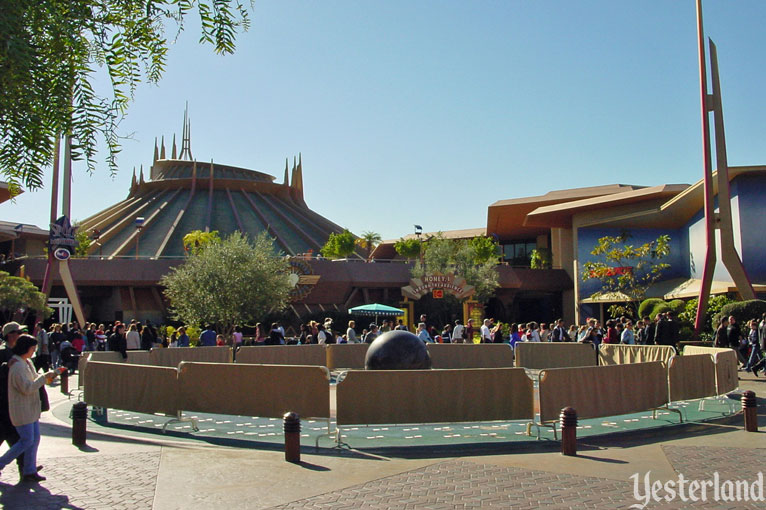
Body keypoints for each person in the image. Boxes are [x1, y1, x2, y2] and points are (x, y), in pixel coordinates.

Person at [0, 334, 58, 482]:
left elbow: (33, 380)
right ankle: (3, 464)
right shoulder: (18, 366)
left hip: (30, 408)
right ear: (26, 348)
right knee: (26, 440)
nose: (34, 351)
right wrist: (44, 378)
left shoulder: (26, 362)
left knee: (34, 439)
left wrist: (45, 377)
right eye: (33, 348)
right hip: (21, 409)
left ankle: (29, 469)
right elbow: (26, 387)